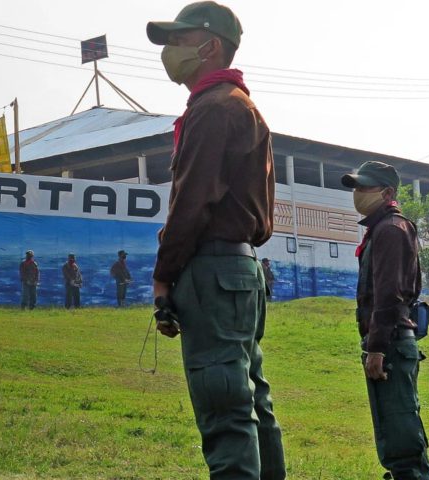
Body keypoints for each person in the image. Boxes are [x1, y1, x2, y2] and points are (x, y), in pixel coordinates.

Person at [146, 2, 286, 477]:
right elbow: (260, 219)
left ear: (210, 45)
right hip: (240, 270)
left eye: (178, 39)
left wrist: (164, 277)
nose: (170, 50)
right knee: (250, 401)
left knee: (223, 405)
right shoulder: (243, 106)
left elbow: (190, 204)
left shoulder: (214, 108)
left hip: (212, 269)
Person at [344, 161, 429, 479]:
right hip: (388, 341)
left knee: (402, 436)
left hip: (391, 341)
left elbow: (388, 294)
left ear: (388, 192)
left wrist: (377, 347)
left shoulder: (391, 230)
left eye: (365, 187)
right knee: (393, 435)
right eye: (357, 187)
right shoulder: (381, 230)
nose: (358, 194)